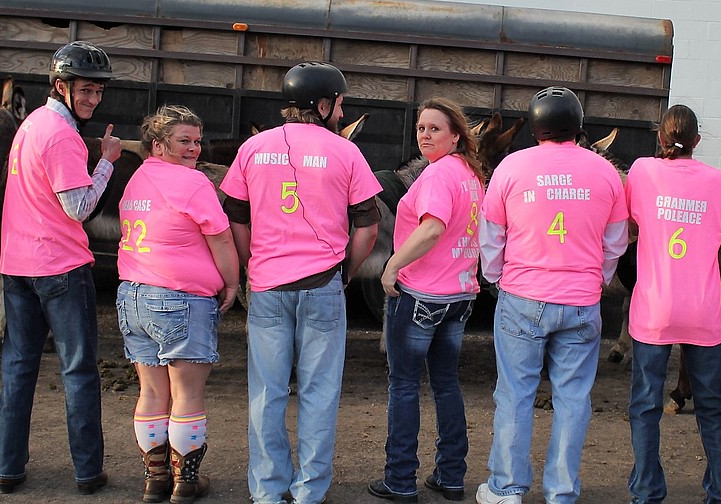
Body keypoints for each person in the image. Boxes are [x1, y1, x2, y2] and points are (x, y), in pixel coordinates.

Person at [220, 61, 382, 504]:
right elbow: (368, 225)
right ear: (324, 104)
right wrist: (345, 271)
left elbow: (234, 213)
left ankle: (268, 491)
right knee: (319, 393)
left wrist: (253, 262)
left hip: (269, 287)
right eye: (341, 104)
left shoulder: (254, 148)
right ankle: (309, 490)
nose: (343, 114)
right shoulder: (345, 152)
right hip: (323, 286)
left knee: (266, 393)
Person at [476, 86, 629, 504]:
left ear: (536, 127)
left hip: (522, 296)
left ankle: (506, 487)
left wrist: (496, 278)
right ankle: (561, 492)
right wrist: (596, 279)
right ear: (578, 128)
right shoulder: (605, 173)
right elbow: (616, 242)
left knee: (514, 393)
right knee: (573, 398)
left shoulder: (511, 167)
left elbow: (491, 234)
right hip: (581, 301)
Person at [0, 41, 121, 496]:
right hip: (60, 270)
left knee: (18, 368)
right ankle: (88, 472)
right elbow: (79, 207)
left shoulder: (30, 125)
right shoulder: (63, 136)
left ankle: (8, 467)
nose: (93, 99)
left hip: (17, 266)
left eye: (98, 92)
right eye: (86, 90)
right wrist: (105, 161)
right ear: (61, 86)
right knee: (79, 370)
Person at [116, 105, 240, 503]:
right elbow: (220, 238)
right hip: (180, 298)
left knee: (151, 391)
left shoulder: (137, 178)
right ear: (158, 144)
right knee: (186, 394)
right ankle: (185, 482)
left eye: (197, 141)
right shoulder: (195, 183)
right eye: (184, 141)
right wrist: (233, 282)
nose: (193, 149)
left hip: (133, 294)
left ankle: (155, 479)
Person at [368, 98, 485, 503]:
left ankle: (400, 480)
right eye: (421, 128)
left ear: (456, 135)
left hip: (421, 295)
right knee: (446, 384)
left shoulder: (438, 176)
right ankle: (451, 475)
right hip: (458, 295)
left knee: (403, 386)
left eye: (435, 128)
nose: (425, 135)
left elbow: (432, 229)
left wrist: (391, 266)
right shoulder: (470, 175)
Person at [623, 105, 721, 504]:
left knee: (645, 403)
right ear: (698, 141)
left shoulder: (641, 171)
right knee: (712, 406)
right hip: (702, 310)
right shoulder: (713, 180)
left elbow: (631, 224)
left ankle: (648, 490)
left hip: (654, 308)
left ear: (659, 137)